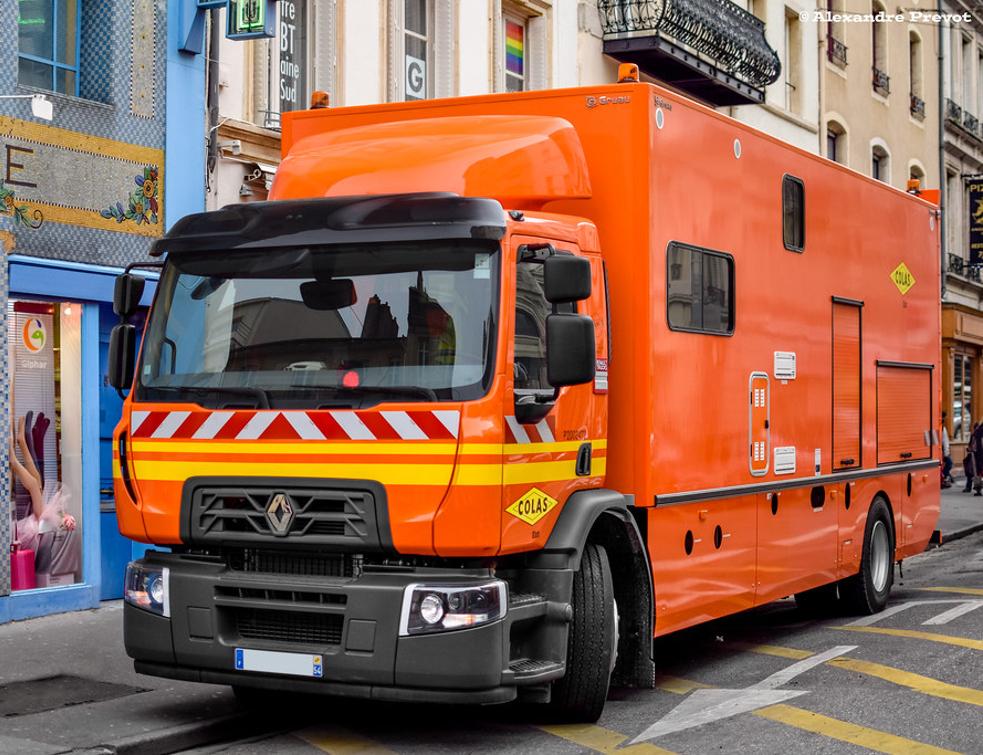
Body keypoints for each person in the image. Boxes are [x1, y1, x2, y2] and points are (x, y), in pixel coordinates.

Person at [964, 423, 978, 492]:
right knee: (971, 472)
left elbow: (973, 447)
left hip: (975, 456)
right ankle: (970, 487)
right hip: (973, 456)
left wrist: (970, 449)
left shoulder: (975, 435)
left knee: (971, 472)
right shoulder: (973, 435)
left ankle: (970, 487)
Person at [941, 412, 953, 488]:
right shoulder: (942, 428)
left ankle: (945, 477)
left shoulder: (941, 427)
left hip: (940, 451)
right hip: (941, 451)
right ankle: (945, 478)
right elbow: (945, 441)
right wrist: (946, 453)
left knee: (947, 464)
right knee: (949, 463)